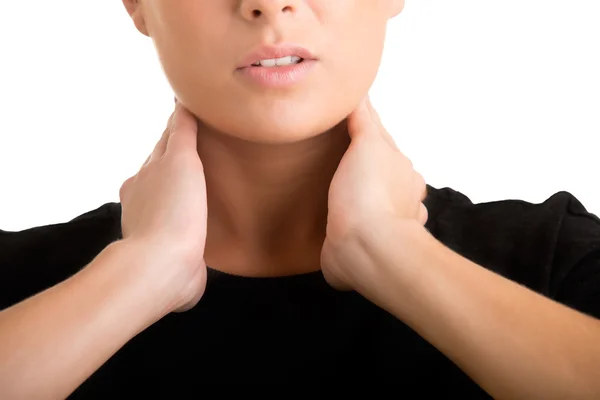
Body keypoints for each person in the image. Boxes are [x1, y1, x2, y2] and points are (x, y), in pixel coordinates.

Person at [1, 0, 599, 398]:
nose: (267, 1)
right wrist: (141, 272)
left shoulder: (555, 266)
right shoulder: (22, 291)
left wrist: (392, 253)